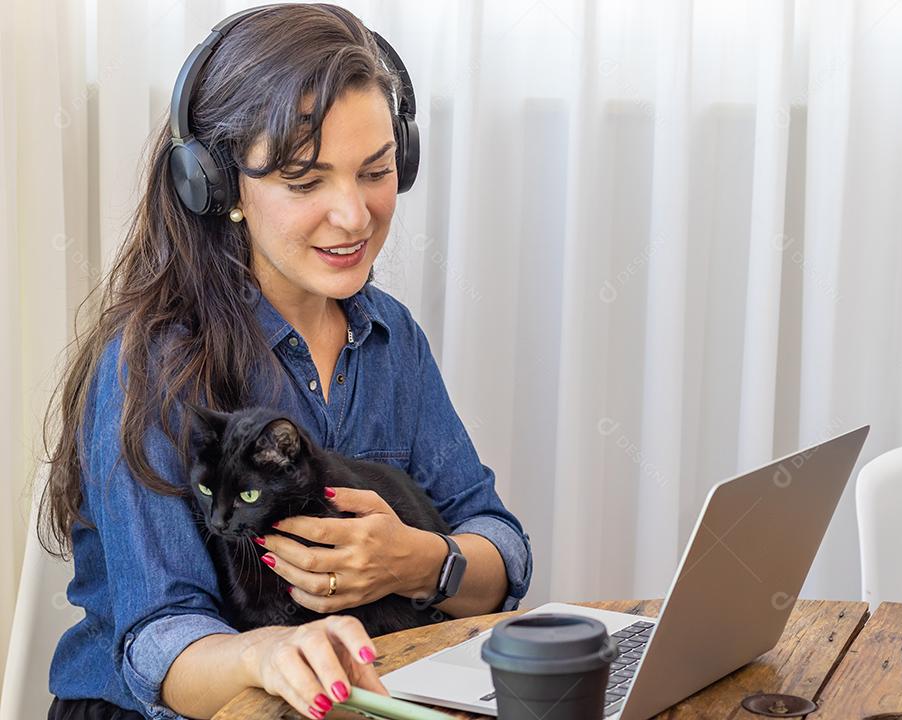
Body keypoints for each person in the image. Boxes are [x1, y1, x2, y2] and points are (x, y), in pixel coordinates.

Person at [39, 5, 532, 719]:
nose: (355, 216)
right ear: (214, 182)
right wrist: (262, 653)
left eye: (377, 171)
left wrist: (425, 561)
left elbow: (499, 547)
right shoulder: (151, 365)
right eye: (306, 182)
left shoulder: (392, 337)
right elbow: (157, 640)